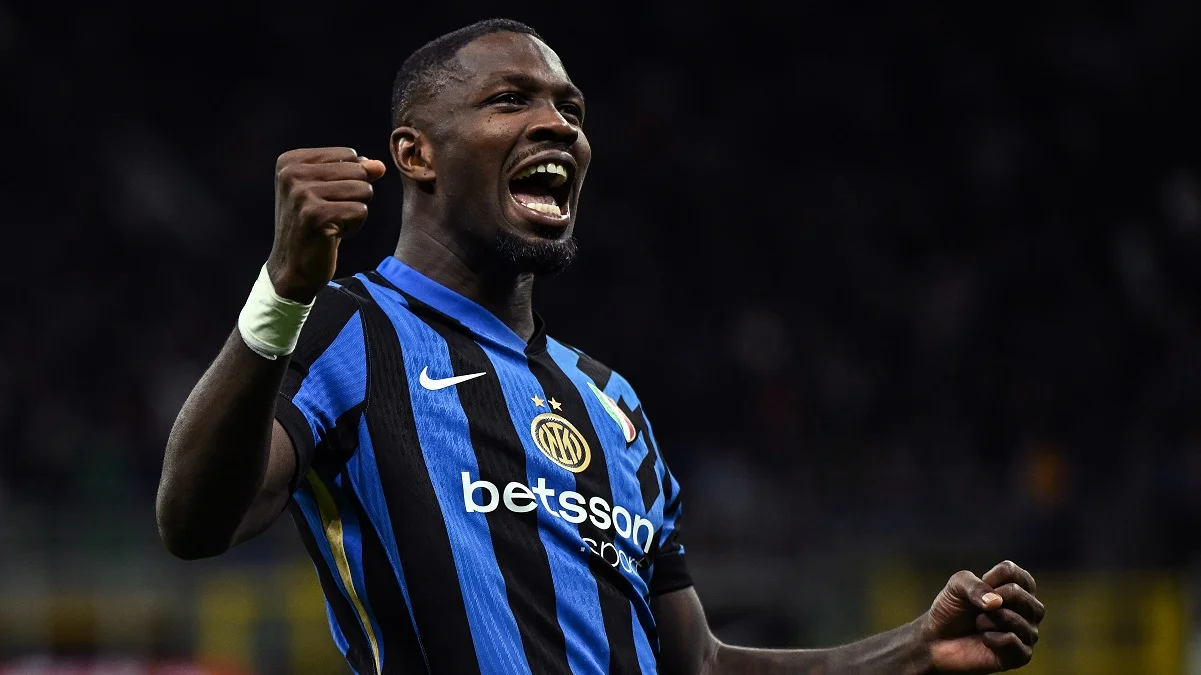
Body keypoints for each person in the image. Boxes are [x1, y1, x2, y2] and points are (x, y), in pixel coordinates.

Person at [155, 18, 1044, 675]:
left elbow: (695, 664)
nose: (560, 125)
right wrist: (282, 290)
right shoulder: (344, 326)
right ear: (415, 154)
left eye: (570, 108)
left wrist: (913, 650)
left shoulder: (611, 403)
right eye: (511, 100)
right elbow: (194, 522)